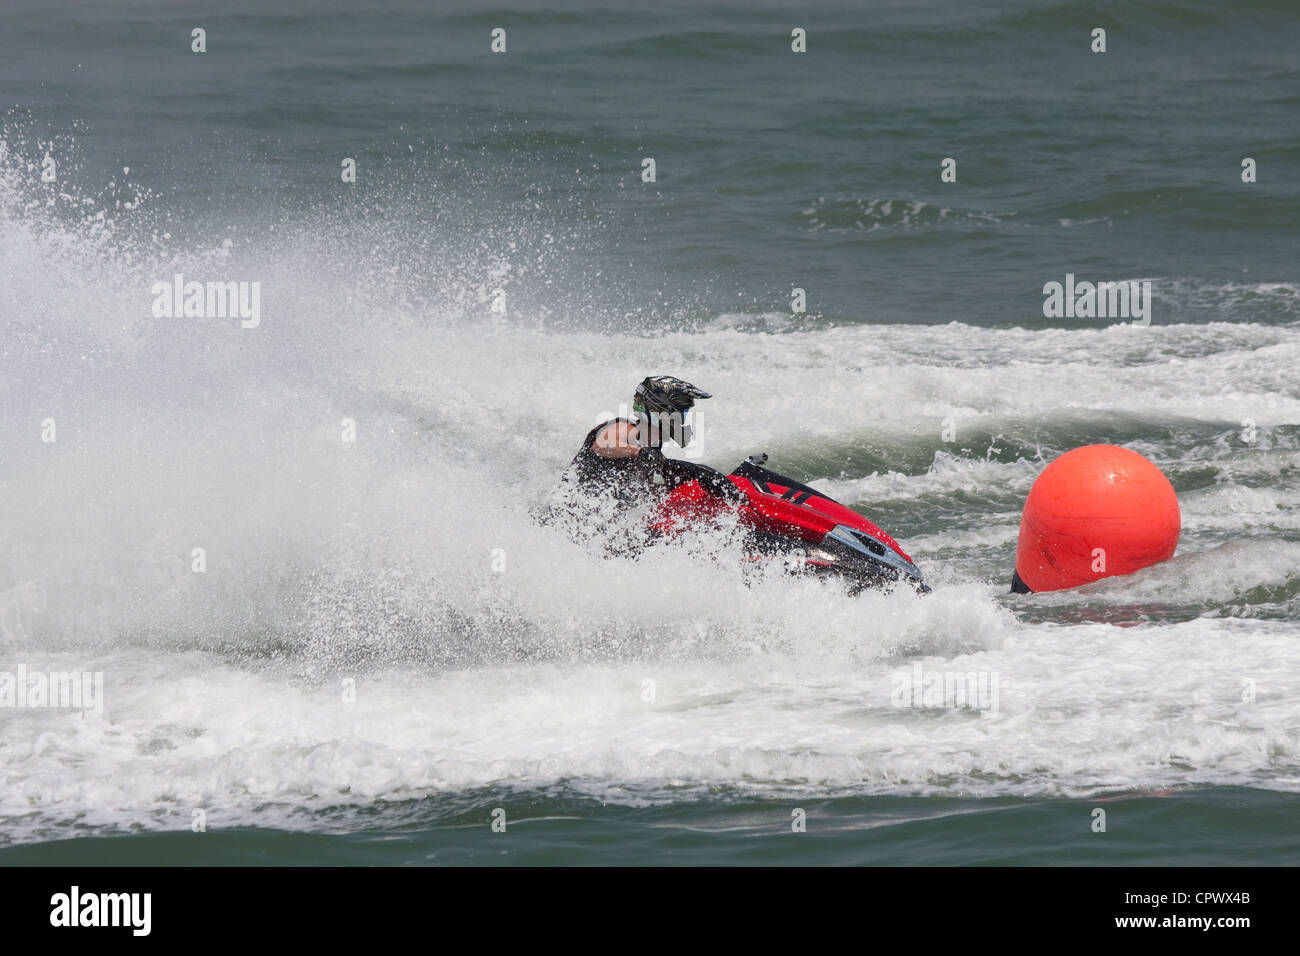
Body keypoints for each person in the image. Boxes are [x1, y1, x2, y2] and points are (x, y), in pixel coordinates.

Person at [567, 375, 740, 508]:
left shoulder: (652, 446)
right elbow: (602, 445)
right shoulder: (625, 429)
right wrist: (638, 452)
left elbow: (642, 490)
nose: (684, 418)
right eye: (683, 412)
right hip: (574, 514)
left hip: (604, 517)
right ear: (662, 409)